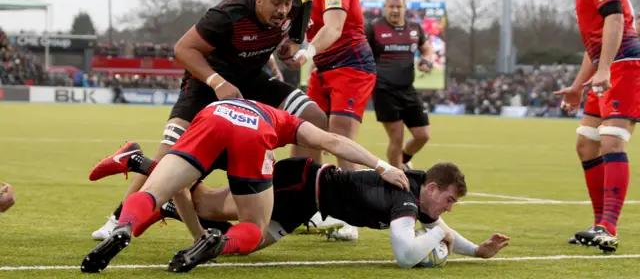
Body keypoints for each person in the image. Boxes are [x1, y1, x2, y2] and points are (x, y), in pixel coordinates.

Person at [90, 0, 328, 241]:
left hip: (252, 80)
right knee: (169, 152)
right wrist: (217, 82)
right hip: (207, 82)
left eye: (287, 3)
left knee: (314, 116)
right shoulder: (229, 14)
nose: (283, 10)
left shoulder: (292, 1)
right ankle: (120, 217)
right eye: (276, 2)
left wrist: (296, 38)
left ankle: (301, 200)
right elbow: (183, 48)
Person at [82, 98, 409, 274]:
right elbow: (333, 141)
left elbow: (183, 188)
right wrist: (382, 166)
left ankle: (124, 224)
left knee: (155, 193)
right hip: (251, 136)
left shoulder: (218, 107)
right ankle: (214, 244)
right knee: (253, 226)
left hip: (209, 121)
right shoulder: (282, 120)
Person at [92, 156, 509, 268]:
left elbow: (440, 225)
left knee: (247, 243)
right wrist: (439, 238)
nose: (447, 210)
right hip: (298, 184)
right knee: (203, 203)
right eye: (450, 200)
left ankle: (173, 203)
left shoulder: (419, 196)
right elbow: (405, 255)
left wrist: (477, 251)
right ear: (432, 189)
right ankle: (141, 162)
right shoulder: (406, 200)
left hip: (304, 201)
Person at [281, 0, 377, 241]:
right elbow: (293, 31)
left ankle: (350, 217)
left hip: (351, 66)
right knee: (304, 135)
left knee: (338, 136)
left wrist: (307, 52)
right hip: (323, 69)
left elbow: (334, 29)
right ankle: (307, 209)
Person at [552, 0, 640, 253]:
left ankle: (608, 227)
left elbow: (615, 19)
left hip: (624, 67)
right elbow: (596, 42)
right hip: (608, 68)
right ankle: (598, 223)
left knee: (612, 142)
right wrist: (577, 86)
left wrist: (604, 70)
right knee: (586, 145)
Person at [367, 0, 433, 171]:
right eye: (391, 6)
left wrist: (426, 60)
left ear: (405, 7)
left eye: (399, 7)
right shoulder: (373, 28)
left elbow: (427, 49)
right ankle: (396, 182)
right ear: (385, 7)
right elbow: (362, 53)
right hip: (383, 90)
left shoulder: (415, 29)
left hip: (408, 89)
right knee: (396, 137)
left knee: (423, 135)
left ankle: (404, 160)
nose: (395, 11)